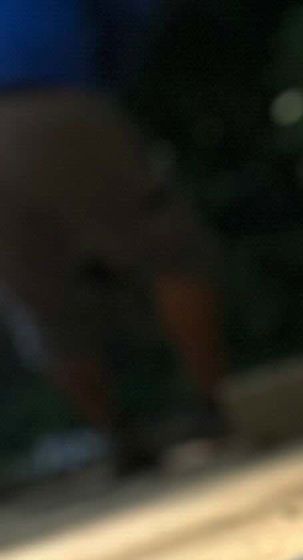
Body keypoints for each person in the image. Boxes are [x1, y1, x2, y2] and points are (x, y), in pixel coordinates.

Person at [0, 0, 229, 474]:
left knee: (40, 297)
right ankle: (217, 404)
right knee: (169, 253)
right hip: (57, 104)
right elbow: (127, 19)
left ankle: (118, 438)